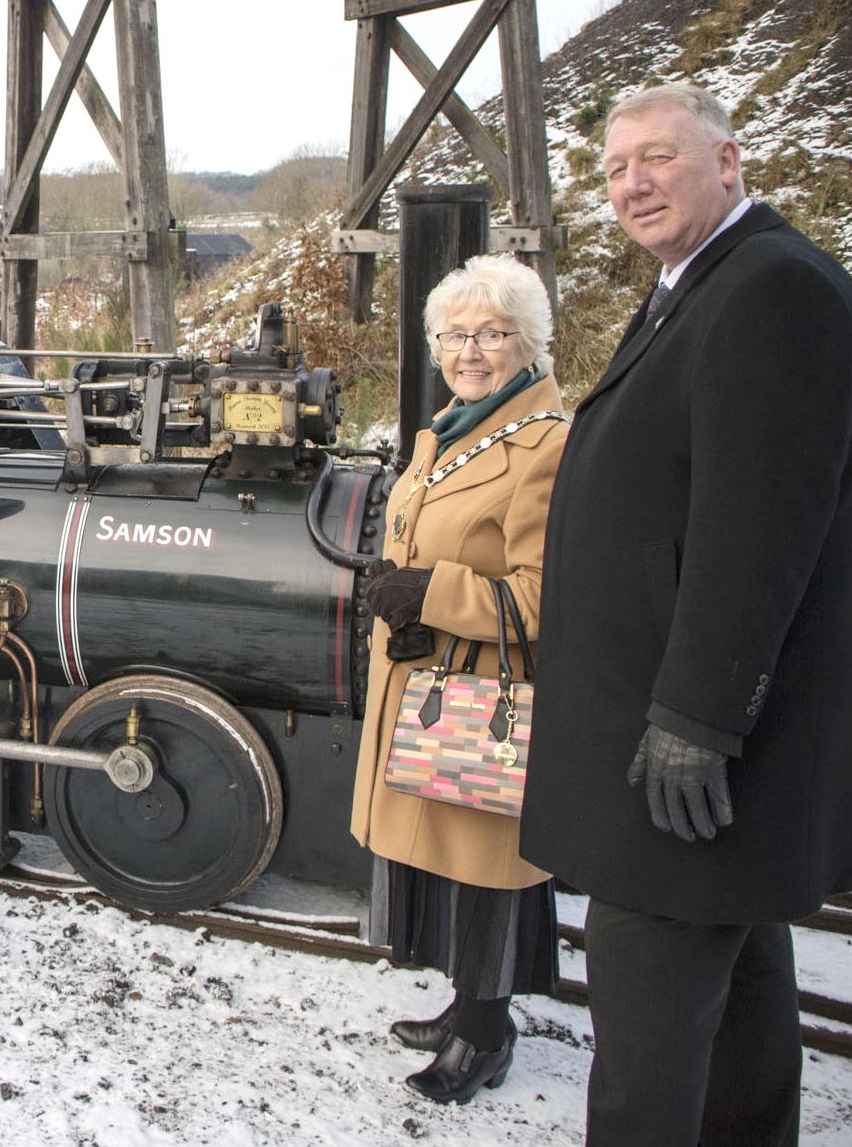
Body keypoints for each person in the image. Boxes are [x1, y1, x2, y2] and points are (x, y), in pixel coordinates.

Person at [521, 82, 852, 1144]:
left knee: (646, 1039)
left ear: (730, 162)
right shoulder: (699, 281)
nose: (634, 183)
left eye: (659, 158)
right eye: (617, 167)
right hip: (684, 749)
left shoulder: (773, 289)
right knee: (746, 994)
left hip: (682, 762)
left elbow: (759, 529)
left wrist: (699, 718)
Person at [350, 253, 569, 1103]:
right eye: (454, 334)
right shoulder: (451, 427)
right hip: (428, 685)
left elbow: (548, 597)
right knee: (452, 872)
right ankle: (465, 1005)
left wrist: (429, 593)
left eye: (491, 334)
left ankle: (485, 1034)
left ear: (530, 343)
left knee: (486, 872)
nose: (469, 350)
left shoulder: (544, 446)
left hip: (481, 701)